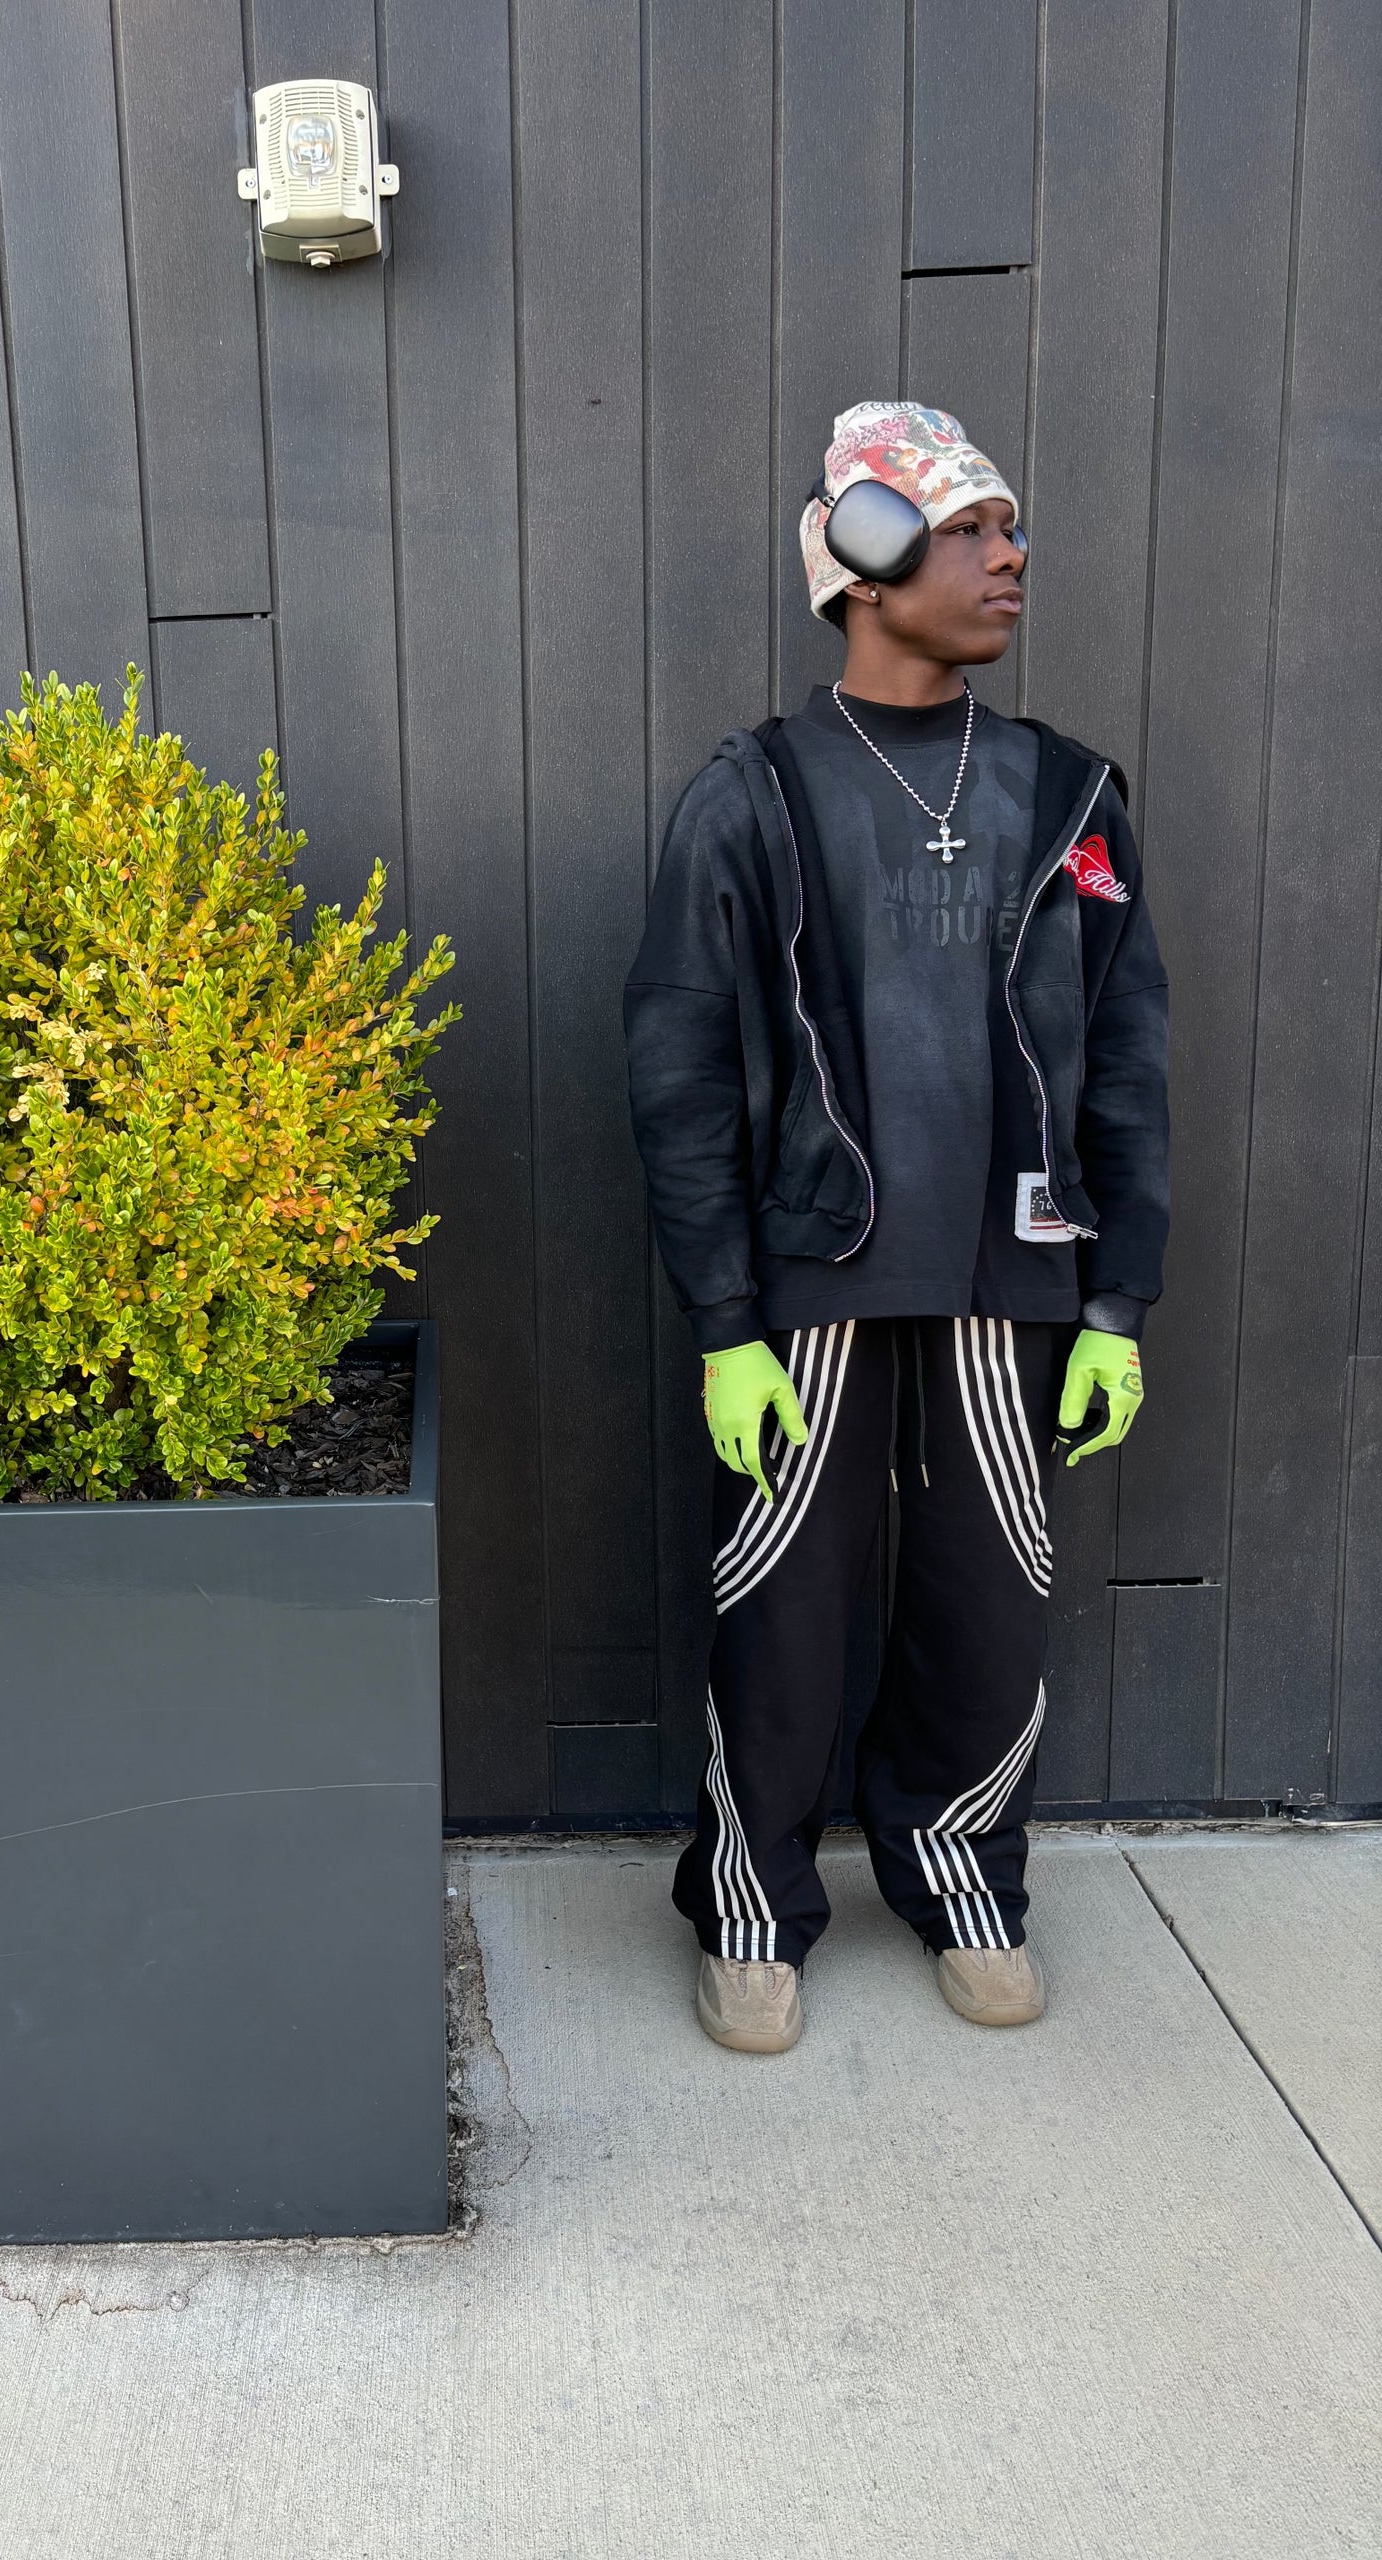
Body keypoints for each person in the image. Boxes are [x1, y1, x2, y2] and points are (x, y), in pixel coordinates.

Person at [624, 401, 1169, 2054]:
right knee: (778, 1600)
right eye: (972, 530)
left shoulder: (1064, 792)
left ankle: (964, 1874)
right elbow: (681, 1069)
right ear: (862, 557)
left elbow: (1128, 1051)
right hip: (812, 1288)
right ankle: (752, 1905)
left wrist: (1120, 1301)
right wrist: (724, 1321)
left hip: (1015, 1283)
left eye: (1012, 529)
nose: (1012, 558)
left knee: (992, 1599)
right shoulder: (756, 798)